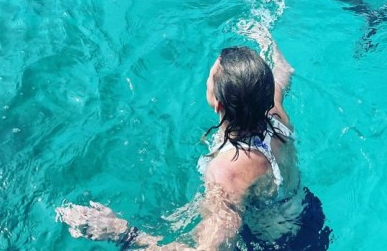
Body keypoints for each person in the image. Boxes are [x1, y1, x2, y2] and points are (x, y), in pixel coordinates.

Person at [56, 24, 332, 250]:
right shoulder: (274, 113)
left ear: (218, 105)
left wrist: (122, 233)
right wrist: (264, 34)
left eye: (211, 77)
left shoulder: (226, 172)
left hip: (274, 246)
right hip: (310, 219)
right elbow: (284, 71)